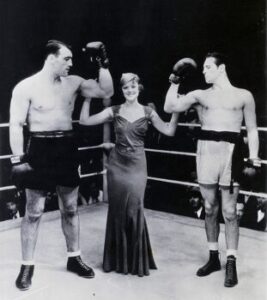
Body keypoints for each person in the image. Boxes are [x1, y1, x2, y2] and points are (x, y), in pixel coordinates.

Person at [9, 40, 114, 290]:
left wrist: (103, 64)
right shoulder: (27, 87)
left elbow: (106, 92)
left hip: (66, 147)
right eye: (66, 59)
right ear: (51, 58)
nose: (71, 63)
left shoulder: (74, 82)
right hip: (39, 149)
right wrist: (17, 159)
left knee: (70, 208)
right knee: (33, 212)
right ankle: (27, 265)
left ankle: (74, 257)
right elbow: (16, 124)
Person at [164, 53, 261, 287]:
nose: (204, 71)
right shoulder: (199, 95)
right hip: (206, 152)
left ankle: (231, 262)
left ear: (222, 68)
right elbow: (170, 106)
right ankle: (213, 258)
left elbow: (253, 129)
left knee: (229, 212)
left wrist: (254, 158)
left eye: (208, 67)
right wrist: (175, 80)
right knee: (209, 207)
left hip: (231, 154)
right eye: (204, 67)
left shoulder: (243, 96)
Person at [80, 73, 178, 276]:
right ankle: (117, 262)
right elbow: (85, 122)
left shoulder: (148, 112)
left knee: (134, 207)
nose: (129, 91)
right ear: (122, 90)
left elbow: (168, 131)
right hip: (117, 165)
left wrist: (176, 111)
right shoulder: (114, 110)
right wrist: (88, 98)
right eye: (125, 88)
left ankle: (135, 261)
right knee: (117, 209)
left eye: (133, 87)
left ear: (139, 88)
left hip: (137, 165)